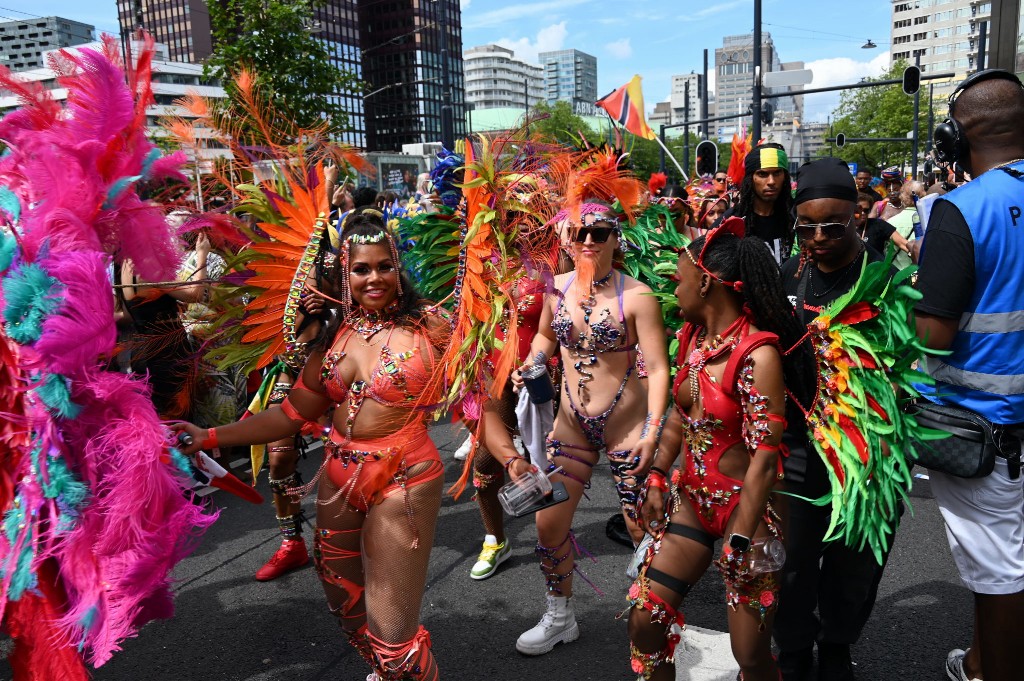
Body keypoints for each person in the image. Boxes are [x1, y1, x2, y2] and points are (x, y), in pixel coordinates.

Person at [175, 212, 449, 681]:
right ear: (345, 275)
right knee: (346, 604)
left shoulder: (432, 327)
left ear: (398, 268)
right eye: (361, 269)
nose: (374, 278)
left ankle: (400, 670)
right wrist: (210, 436)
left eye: (384, 266)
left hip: (403, 479)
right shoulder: (335, 337)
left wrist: (506, 451)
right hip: (339, 478)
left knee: (392, 632)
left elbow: (483, 382)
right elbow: (290, 414)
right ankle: (385, 672)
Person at [625, 217, 815, 681]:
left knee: (749, 655)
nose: (674, 288)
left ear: (707, 283)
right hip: (693, 502)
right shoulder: (693, 339)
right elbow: (679, 417)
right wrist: (656, 475)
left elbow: (766, 461)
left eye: (679, 278)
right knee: (645, 622)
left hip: (749, 513)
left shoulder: (758, 356)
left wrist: (742, 539)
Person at [508, 202, 670, 656]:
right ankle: (560, 616)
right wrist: (533, 362)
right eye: (579, 233)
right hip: (570, 427)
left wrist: (652, 432)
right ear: (565, 239)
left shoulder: (637, 296)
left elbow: (658, 369)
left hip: (627, 428)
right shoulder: (555, 289)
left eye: (599, 233)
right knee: (548, 525)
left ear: (616, 240)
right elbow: (544, 335)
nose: (588, 242)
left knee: (644, 532)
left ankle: (654, 625)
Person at [914, 70, 1024, 681]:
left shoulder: (962, 210)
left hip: (985, 431)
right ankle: (980, 661)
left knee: (999, 574)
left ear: (956, 138)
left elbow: (934, 334)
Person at [775, 158, 895, 681]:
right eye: (807, 226)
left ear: (858, 219)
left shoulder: (884, 279)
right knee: (793, 558)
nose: (818, 237)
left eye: (833, 226)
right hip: (797, 441)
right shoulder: (790, 272)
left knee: (855, 562)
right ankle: (796, 647)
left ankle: (838, 644)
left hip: (864, 448)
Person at [721, 142, 795, 265]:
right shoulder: (730, 222)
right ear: (750, 179)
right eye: (762, 174)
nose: (771, 181)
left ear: (785, 177)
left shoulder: (797, 217)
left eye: (777, 173)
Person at [884, 180, 924, 269]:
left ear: (902, 198)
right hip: (921, 273)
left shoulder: (890, 222)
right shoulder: (931, 220)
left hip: (896, 275)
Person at [854, 193, 908, 257]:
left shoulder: (878, 224)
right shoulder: (845, 226)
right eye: (859, 210)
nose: (862, 213)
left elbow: (902, 243)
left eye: (866, 210)